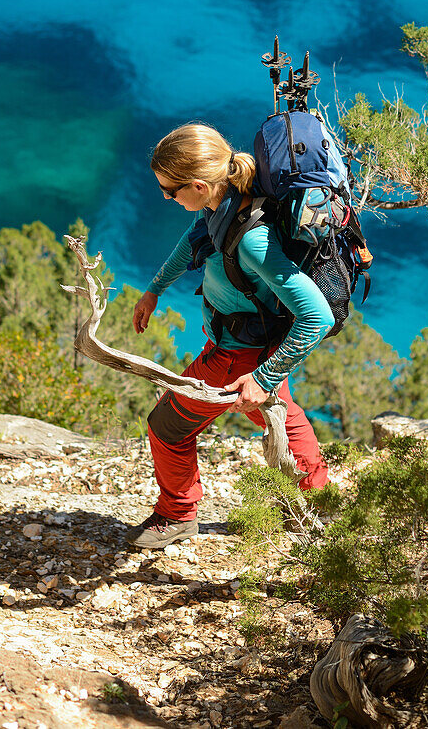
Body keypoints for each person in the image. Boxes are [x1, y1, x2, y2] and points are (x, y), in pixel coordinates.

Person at [128, 123, 332, 549]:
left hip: (238, 355)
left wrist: (262, 377)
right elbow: (192, 241)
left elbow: (316, 315)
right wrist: (155, 288)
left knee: (167, 428)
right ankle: (315, 503)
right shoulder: (225, 203)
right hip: (246, 344)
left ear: (199, 186)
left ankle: (177, 514)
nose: (166, 198)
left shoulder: (252, 240)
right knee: (282, 417)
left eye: (170, 191)